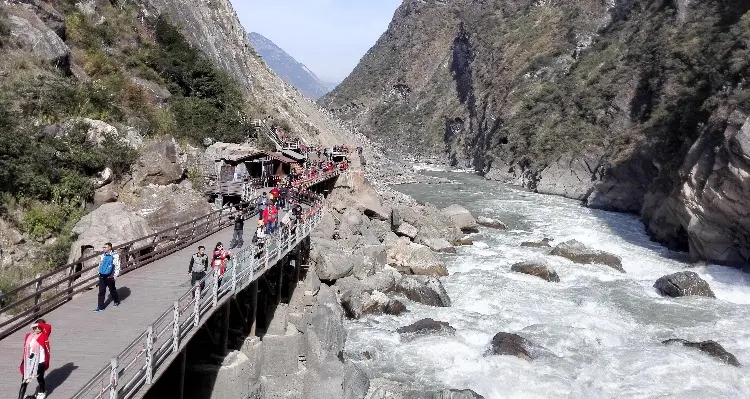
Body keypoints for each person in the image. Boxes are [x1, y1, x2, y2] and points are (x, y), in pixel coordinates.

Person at [19, 318, 52, 399]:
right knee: (24, 381)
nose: (37, 329)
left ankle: (42, 392)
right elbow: (27, 350)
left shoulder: (44, 336)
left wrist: (37, 324)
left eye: (39, 327)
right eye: (35, 327)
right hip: (29, 361)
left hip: (40, 361)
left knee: (40, 379)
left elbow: (48, 327)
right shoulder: (28, 336)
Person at [94, 242, 120, 312]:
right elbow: (100, 264)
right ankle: (100, 307)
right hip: (102, 276)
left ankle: (116, 300)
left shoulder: (115, 255)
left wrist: (115, 275)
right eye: (103, 247)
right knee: (101, 292)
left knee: (112, 290)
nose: (104, 248)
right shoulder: (103, 255)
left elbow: (117, 265)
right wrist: (99, 273)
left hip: (110, 276)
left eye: (105, 247)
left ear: (109, 248)